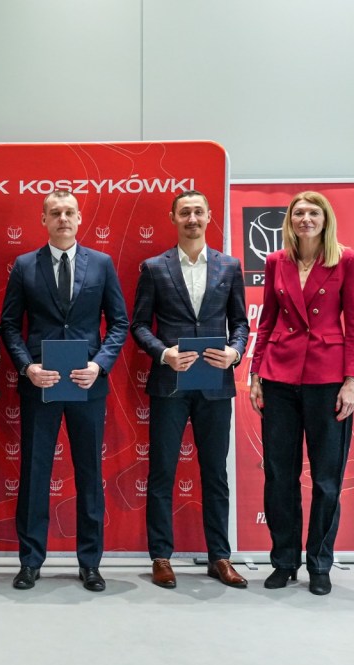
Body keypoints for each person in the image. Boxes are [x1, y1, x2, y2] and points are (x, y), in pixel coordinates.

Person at [0, 190, 128, 592]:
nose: (63, 218)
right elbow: (9, 325)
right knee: (35, 474)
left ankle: (90, 563)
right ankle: (30, 562)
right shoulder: (25, 265)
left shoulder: (102, 264)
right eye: (55, 213)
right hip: (41, 386)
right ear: (44, 219)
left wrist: (99, 365)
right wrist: (28, 367)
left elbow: (119, 323)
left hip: (87, 384)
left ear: (79, 218)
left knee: (90, 474)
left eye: (69, 212)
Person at [130, 190, 250, 589]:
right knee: (162, 472)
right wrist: (164, 354)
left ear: (209, 216)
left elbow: (241, 323)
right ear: (173, 218)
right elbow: (139, 325)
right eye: (185, 212)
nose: (192, 218)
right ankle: (161, 557)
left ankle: (220, 557)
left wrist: (234, 352)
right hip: (171, 383)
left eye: (198, 211)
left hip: (215, 383)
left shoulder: (229, 266)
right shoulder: (154, 268)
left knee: (215, 473)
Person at [249, 191, 354, 596]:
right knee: (280, 475)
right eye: (299, 213)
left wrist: (352, 380)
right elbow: (267, 320)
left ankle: (319, 564)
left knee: (327, 479)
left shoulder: (346, 259)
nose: (306, 219)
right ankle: (284, 562)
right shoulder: (276, 261)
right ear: (290, 221)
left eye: (313, 212)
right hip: (278, 377)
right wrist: (255, 372)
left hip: (328, 380)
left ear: (325, 219)